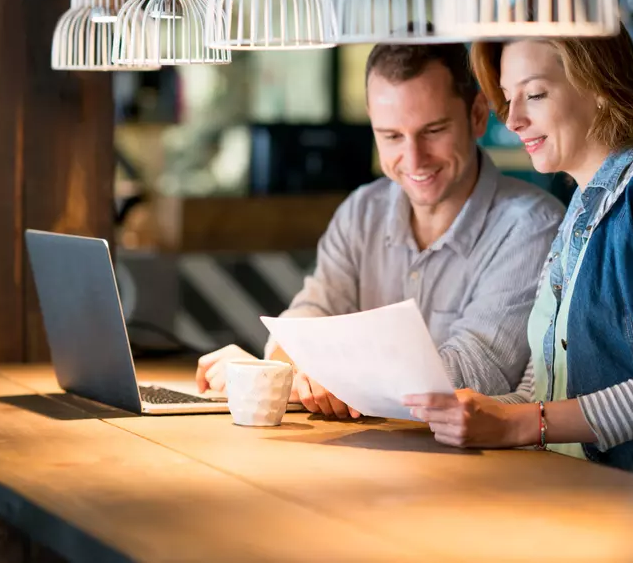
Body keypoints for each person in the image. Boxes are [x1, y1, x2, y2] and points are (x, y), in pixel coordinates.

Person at [404, 28, 633, 471]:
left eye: (534, 94)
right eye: (508, 98)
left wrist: (518, 424)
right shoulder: (580, 211)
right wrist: (445, 414)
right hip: (578, 495)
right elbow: (540, 397)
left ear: (599, 86)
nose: (513, 119)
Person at [196, 43, 565, 417]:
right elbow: (310, 314)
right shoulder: (363, 210)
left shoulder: (532, 227)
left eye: (433, 130)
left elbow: (472, 374)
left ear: (477, 116)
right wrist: (271, 370)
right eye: (391, 136)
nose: (414, 158)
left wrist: (317, 371)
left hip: (478, 469)